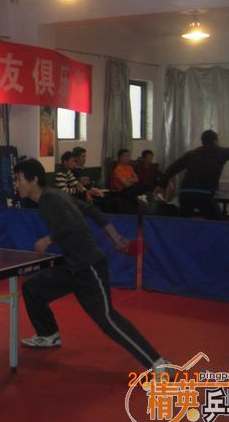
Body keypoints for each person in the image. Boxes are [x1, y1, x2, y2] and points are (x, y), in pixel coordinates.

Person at [12, 158, 167, 373]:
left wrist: (48, 239)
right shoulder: (55, 195)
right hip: (71, 266)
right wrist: (115, 236)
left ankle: (158, 363)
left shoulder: (50, 199)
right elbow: (90, 210)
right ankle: (48, 334)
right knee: (32, 288)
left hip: (88, 268)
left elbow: (74, 225)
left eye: (18, 179)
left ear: (33, 179)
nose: (16, 184)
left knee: (107, 319)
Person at [155, 130, 229, 219]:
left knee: (183, 222)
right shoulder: (221, 152)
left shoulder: (191, 154)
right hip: (204, 194)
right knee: (218, 224)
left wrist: (162, 185)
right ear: (215, 141)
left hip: (186, 193)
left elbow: (171, 169)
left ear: (202, 141)